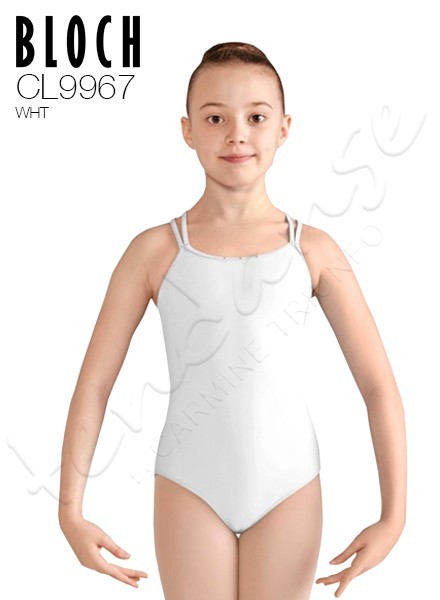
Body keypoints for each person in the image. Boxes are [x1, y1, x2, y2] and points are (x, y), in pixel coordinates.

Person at [58, 42, 407, 600]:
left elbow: (378, 386)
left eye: (256, 117)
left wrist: (394, 516)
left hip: (289, 487)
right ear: (187, 130)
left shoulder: (313, 251)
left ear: (284, 128)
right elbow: (95, 385)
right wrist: (69, 511)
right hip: (190, 486)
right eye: (215, 118)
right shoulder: (153, 252)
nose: (236, 134)